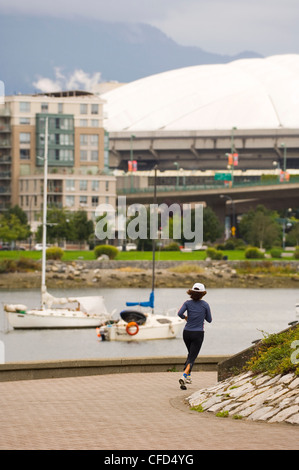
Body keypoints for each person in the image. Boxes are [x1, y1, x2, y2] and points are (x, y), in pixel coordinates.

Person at [177, 282, 212, 390]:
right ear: (203, 294)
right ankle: (184, 375)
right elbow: (209, 320)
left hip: (186, 332)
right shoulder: (205, 305)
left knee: (190, 354)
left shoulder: (187, 303)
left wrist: (186, 317)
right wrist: (202, 315)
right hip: (198, 333)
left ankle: (188, 377)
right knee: (192, 357)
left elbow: (179, 314)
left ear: (191, 292)